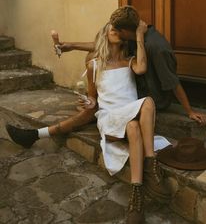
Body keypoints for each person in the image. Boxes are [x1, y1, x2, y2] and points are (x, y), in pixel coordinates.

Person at [6, 21, 171, 224]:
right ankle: (151, 165)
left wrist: (138, 34)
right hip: (109, 118)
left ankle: (136, 194)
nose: (117, 31)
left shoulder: (130, 62)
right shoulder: (94, 65)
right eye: (112, 29)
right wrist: (88, 101)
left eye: (119, 30)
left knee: (135, 123)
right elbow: (93, 99)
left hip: (129, 118)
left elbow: (142, 67)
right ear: (105, 35)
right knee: (146, 102)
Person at [58, 5, 206, 125]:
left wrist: (189, 111)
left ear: (123, 31)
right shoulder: (131, 35)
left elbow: (172, 81)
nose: (113, 33)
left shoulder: (156, 47)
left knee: (94, 107)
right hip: (135, 87)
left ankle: (95, 108)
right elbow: (103, 46)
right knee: (93, 57)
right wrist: (71, 46)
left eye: (115, 31)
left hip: (152, 96)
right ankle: (95, 105)